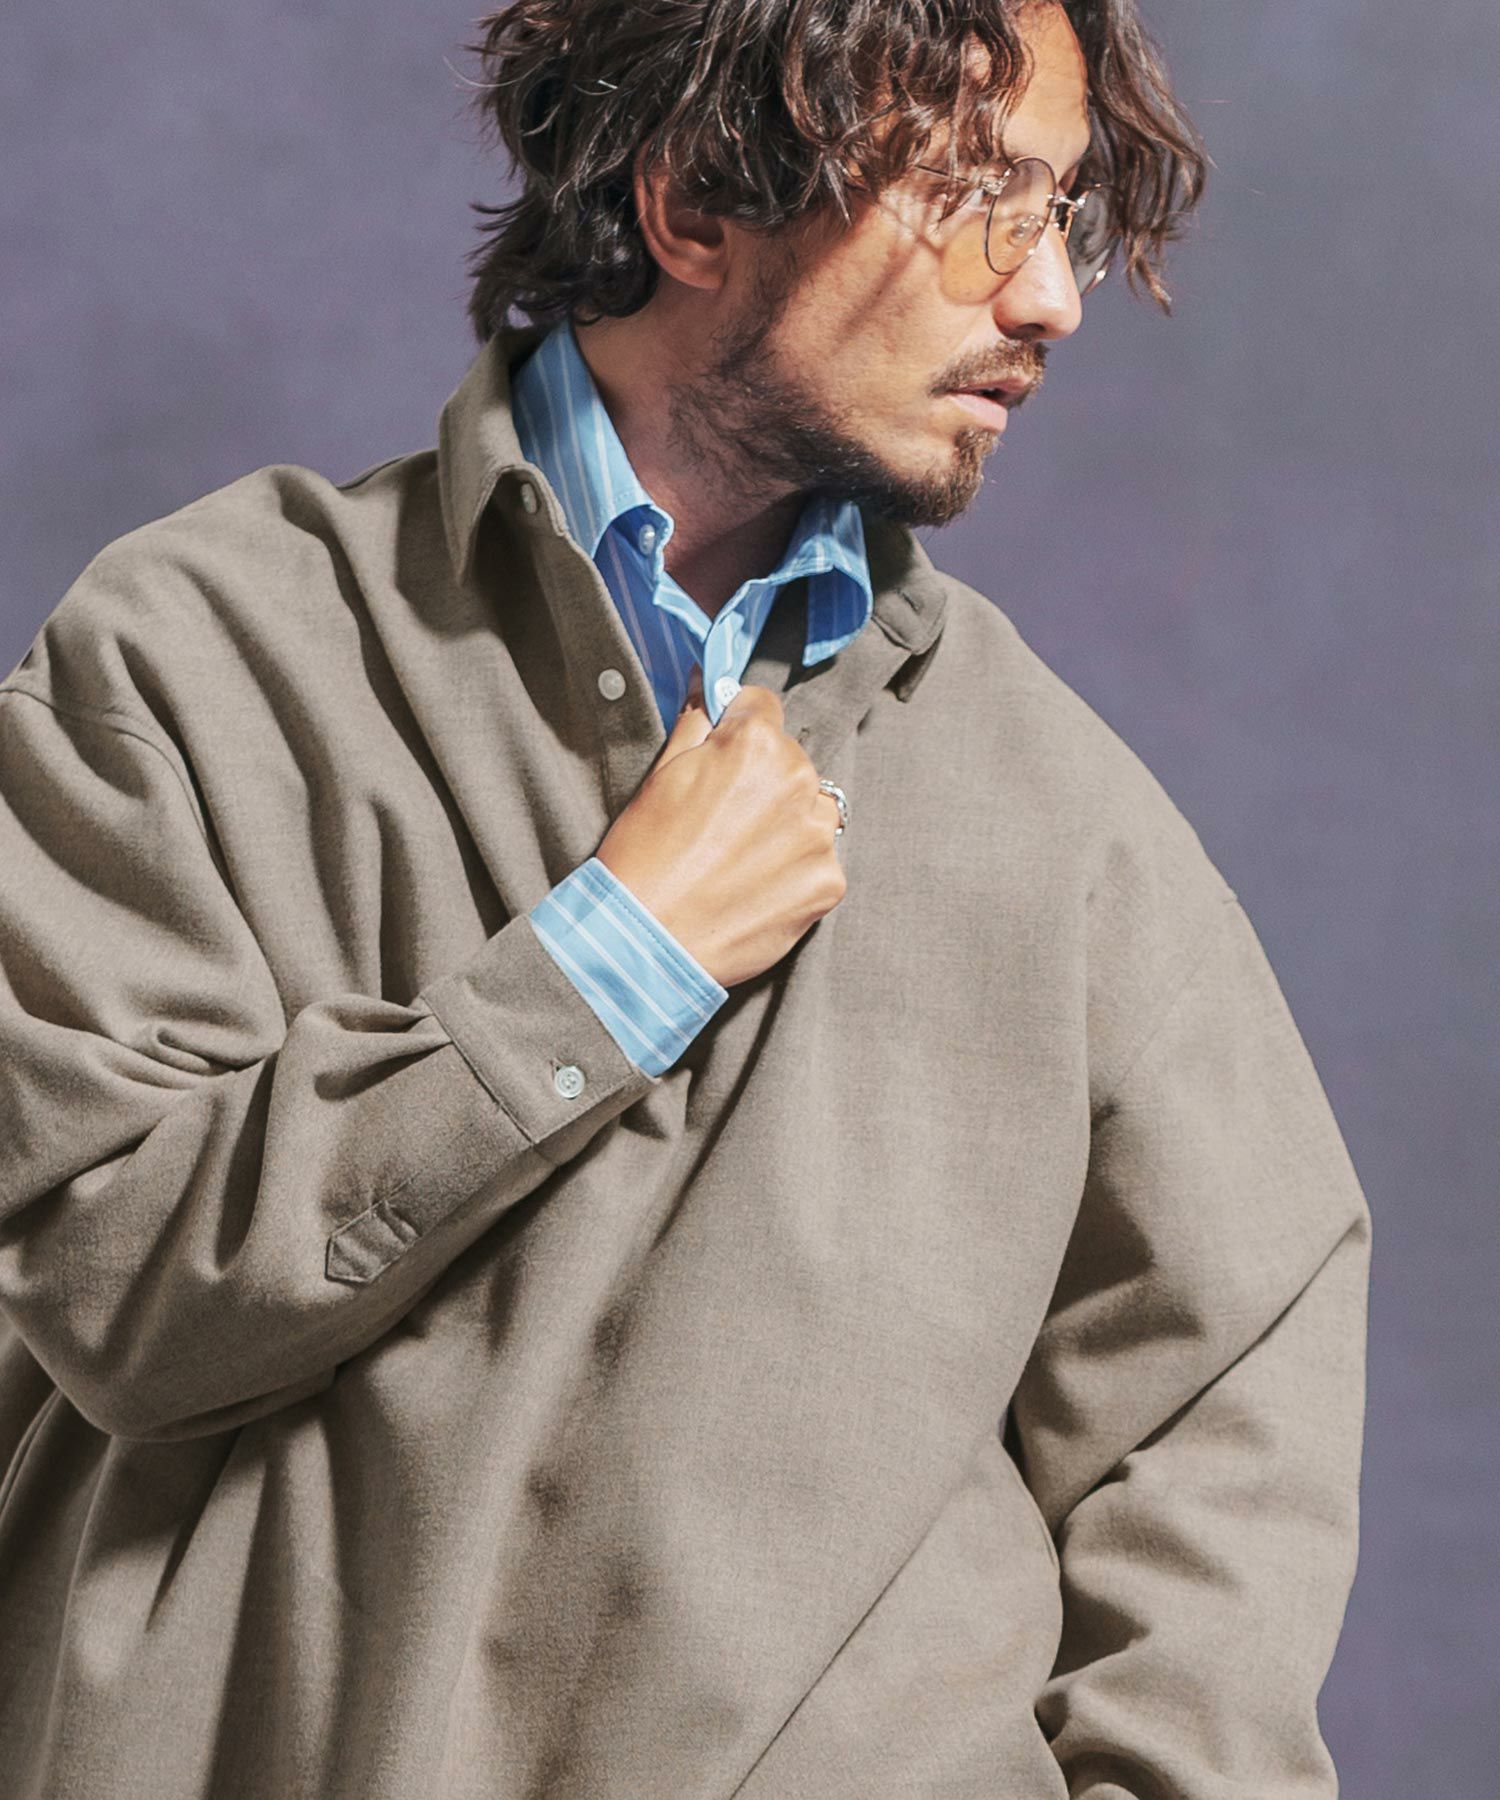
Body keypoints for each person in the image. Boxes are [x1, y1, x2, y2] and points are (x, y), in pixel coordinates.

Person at [0, 1, 1371, 1795]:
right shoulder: (197, 658)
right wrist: (610, 962)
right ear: (697, 202)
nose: (1050, 299)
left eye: (1066, 217)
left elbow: (1228, 1404)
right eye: (978, 200)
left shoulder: (1066, 819)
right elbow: (111, 1293)